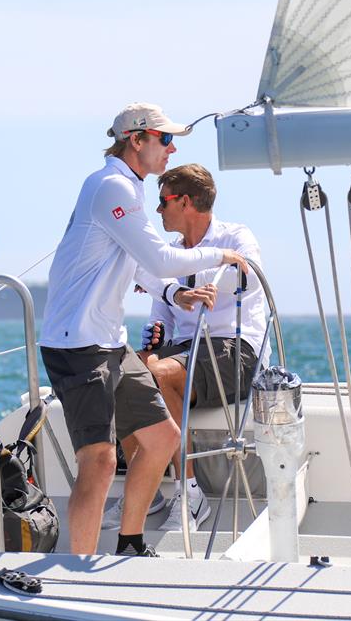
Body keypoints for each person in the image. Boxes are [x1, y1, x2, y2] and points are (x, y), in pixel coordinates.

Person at [39, 103, 248, 557]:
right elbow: (158, 259)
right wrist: (221, 256)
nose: (172, 148)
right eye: (165, 139)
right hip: (78, 347)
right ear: (137, 140)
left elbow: (140, 267)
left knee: (162, 438)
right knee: (99, 460)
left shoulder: (125, 190)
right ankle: (81, 568)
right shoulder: (111, 186)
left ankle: (130, 544)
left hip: (108, 343)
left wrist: (176, 296)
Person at [104, 163, 269, 533]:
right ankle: (144, 493)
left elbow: (249, 276)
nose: (158, 211)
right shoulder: (171, 254)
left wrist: (200, 279)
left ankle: (191, 494)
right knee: (121, 376)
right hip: (184, 348)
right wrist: (154, 335)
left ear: (187, 202)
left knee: (160, 373)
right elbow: (161, 310)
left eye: (163, 202)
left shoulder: (235, 236)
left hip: (234, 349)